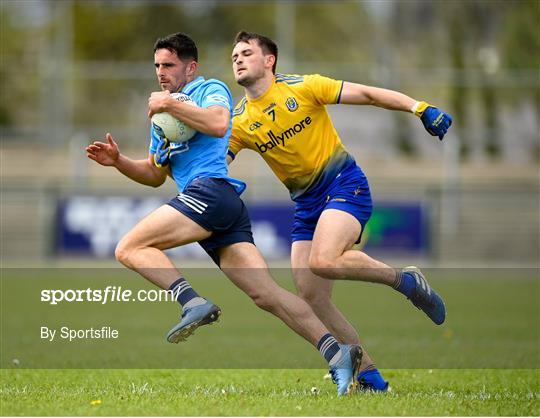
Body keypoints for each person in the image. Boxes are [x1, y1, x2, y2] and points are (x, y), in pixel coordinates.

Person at [86, 32, 363, 396]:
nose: (161, 72)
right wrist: (119, 161)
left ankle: (192, 302)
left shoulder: (209, 89)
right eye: (156, 65)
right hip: (217, 208)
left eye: (168, 65)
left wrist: (169, 105)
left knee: (130, 247)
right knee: (267, 295)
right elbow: (155, 174)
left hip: (212, 193)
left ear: (191, 66)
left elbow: (218, 123)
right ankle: (337, 353)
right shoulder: (162, 116)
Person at [228, 31, 453, 392]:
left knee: (323, 260)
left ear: (269, 60)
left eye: (246, 53)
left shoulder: (304, 87)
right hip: (305, 205)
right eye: (234, 55)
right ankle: (371, 378)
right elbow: (216, 165)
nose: (237, 59)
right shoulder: (238, 120)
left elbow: (368, 94)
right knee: (311, 295)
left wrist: (419, 107)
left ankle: (406, 282)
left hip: (344, 185)